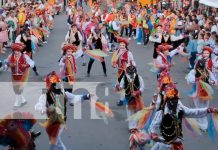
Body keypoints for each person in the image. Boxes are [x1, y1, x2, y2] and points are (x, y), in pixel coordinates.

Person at [149, 83, 218, 150]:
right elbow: (153, 125)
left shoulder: (180, 108)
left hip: (177, 144)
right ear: (167, 101)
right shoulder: (162, 112)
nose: (175, 102)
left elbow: (193, 112)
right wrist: (153, 134)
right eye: (172, 100)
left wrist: (208, 110)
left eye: (176, 100)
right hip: (165, 145)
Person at [186, 58, 217, 131]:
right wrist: (198, 78)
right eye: (204, 64)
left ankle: (202, 124)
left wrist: (211, 82)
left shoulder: (208, 72)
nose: (206, 66)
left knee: (205, 107)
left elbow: (213, 80)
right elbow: (190, 80)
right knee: (199, 108)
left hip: (206, 93)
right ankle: (202, 125)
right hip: (197, 92)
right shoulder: (194, 71)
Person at [116, 63, 144, 132]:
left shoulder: (139, 77)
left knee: (137, 111)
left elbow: (142, 87)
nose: (131, 75)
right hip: (128, 97)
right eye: (130, 73)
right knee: (130, 111)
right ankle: (132, 127)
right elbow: (121, 86)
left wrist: (138, 92)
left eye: (132, 73)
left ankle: (136, 126)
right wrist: (118, 87)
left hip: (137, 98)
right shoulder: (124, 77)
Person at [5, 43, 35, 108]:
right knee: (15, 88)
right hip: (14, 75)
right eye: (15, 50)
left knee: (18, 89)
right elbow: (6, 62)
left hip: (23, 75)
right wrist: (8, 64)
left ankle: (16, 103)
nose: (16, 52)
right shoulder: (10, 56)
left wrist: (27, 65)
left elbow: (32, 63)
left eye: (18, 51)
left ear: (20, 51)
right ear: (13, 50)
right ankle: (23, 100)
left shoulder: (24, 56)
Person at [111, 37, 135, 106]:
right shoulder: (116, 52)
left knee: (129, 86)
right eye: (120, 45)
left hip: (128, 72)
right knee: (121, 86)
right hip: (120, 72)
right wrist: (118, 55)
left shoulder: (129, 53)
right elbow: (113, 64)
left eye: (123, 45)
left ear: (126, 46)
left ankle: (131, 99)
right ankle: (121, 100)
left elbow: (132, 61)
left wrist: (130, 66)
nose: (121, 47)